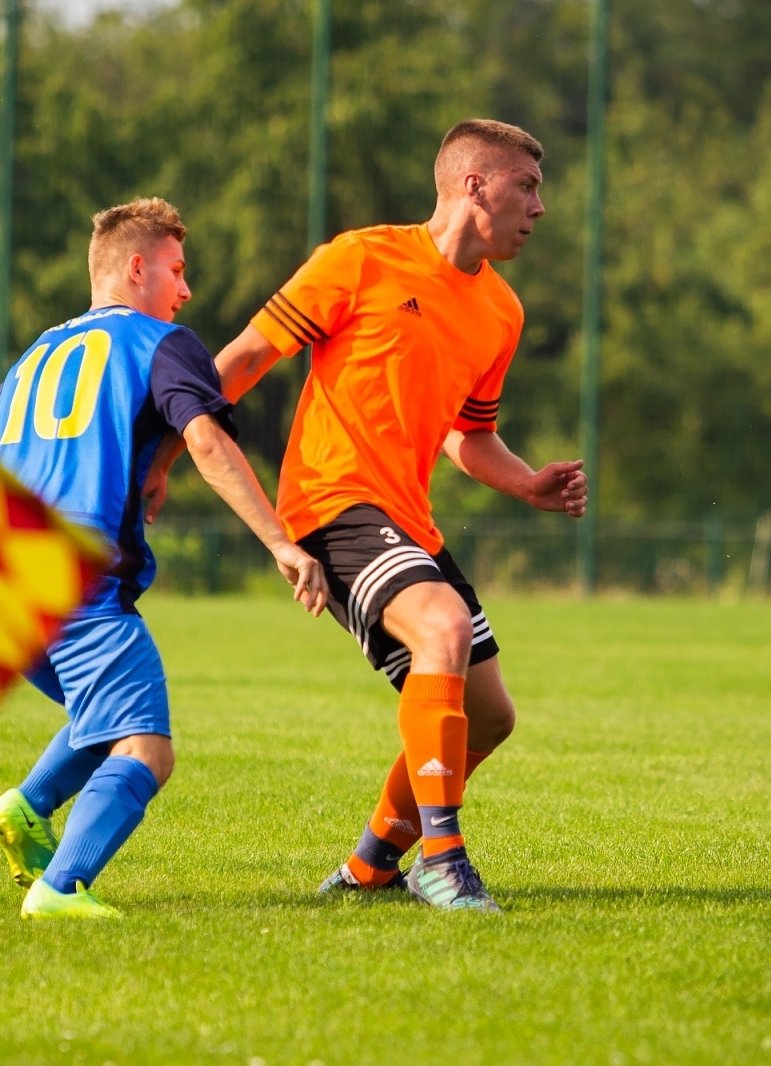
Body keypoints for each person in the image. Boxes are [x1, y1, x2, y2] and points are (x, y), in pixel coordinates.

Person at [210, 119, 587, 911]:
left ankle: (374, 864)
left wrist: (526, 485)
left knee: (491, 717)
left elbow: (470, 436)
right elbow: (243, 360)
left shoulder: (501, 313)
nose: (540, 207)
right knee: (442, 630)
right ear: (473, 184)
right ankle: (444, 861)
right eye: (528, 185)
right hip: (327, 500)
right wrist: (169, 449)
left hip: (407, 520)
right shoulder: (362, 258)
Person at [0, 198, 326, 921]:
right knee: (145, 747)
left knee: (109, 712)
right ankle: (61, 889)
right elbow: (208, 442)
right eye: (176, 269)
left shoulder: (38, 352)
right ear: (137, 268)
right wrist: (281, 541)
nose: (185, 290)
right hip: (79, 583)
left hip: (2, 584)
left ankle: (27, 807)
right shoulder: (161, 342)